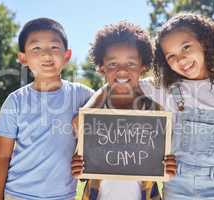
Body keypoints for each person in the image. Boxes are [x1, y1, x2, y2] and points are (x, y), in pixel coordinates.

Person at [140, 13, 214, 200]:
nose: (181, 60)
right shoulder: (167, 89)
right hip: (175, 184)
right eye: (171, 56)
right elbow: (124, 83)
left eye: (186, 47)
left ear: (204, 42)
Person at [71, 21, 176, 200]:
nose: (121, 71)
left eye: (131, 64)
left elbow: (163, 165)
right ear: (101, 67)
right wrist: (78, 168)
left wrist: (168, 168)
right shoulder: (97, 108)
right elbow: (78, 124)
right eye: (112, 64)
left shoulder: (154, 110)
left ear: (143, 67)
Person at [0, 18, 94, 200]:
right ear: (23, 58)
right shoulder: (16, 101)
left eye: (54, 47)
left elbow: (112, 109)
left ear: (67, 55)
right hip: (18, 194)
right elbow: (2, 157)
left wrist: (90, 112)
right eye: (36, 48)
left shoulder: (83, 96)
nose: (46, 55)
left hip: (63, 195)